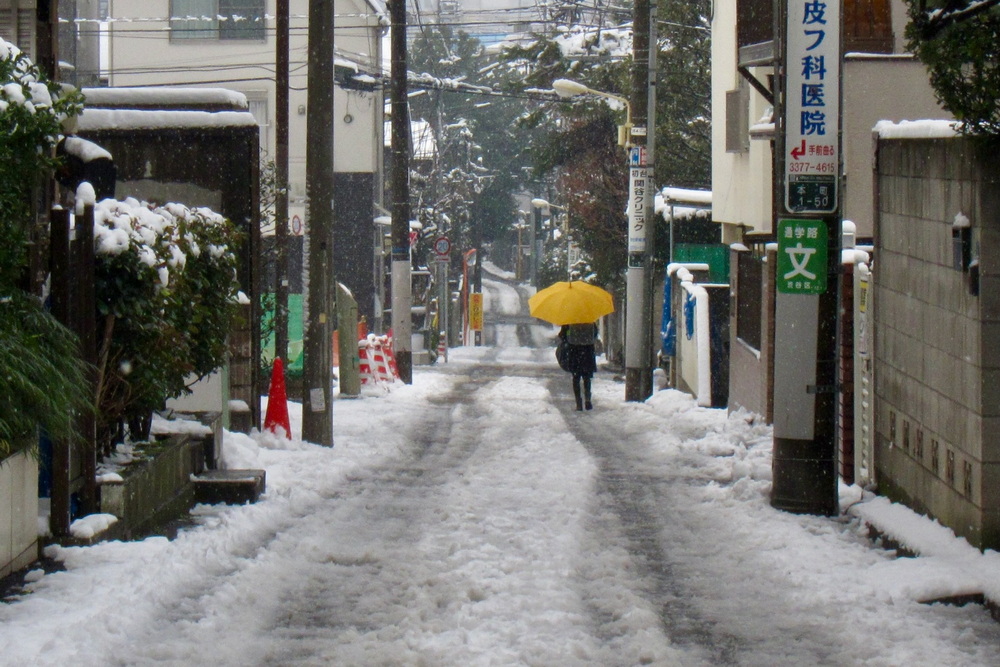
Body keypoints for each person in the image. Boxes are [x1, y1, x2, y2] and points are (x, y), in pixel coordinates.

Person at [558, 322, 598, 411]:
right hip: (588, 351)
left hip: (574, 352)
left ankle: (578, 403)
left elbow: (562, 335)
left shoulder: (570, 321)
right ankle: (587, 398)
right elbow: (595, 334)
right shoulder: (590, 320)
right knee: (587, 377)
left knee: (576, 378)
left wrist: (569, 336)